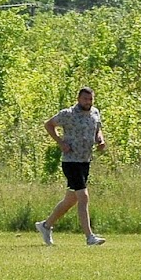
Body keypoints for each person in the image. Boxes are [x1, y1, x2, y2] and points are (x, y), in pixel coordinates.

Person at [35, 86, 107, 246]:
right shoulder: (68, 114)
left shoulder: (95, 113)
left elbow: (97, 130)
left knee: (71, 199)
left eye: (90, 99)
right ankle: (89, 237)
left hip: (85, 161)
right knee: (83, 196)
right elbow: (49, 125)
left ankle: (45, 226)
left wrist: (100, 141)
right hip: (71, 161)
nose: (88, 102)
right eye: (85, 99)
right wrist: (60, 142)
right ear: (78, 99)